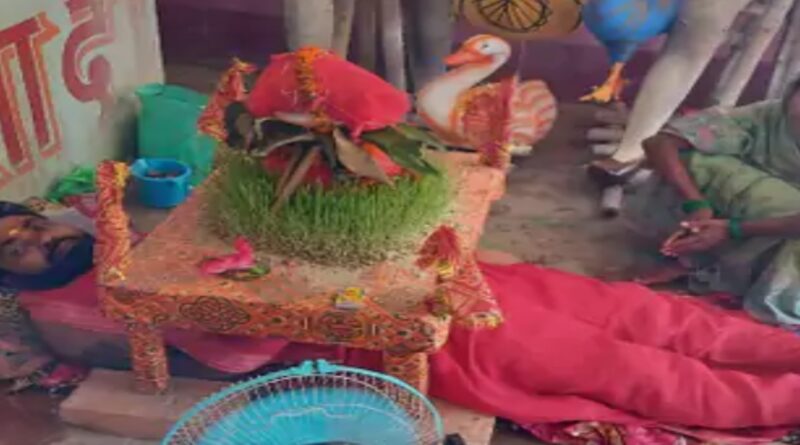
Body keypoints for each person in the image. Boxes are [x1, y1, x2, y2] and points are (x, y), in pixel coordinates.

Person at [4, 199, 800, 430]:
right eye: (19, 248)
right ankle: (782, 396)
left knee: (638, 309)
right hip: (394, 332)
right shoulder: (70, 313)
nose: (42, 238)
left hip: (421, 280)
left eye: (31, 224)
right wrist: (292, 288)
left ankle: (781, 349)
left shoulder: (116, 231)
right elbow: (231, 357)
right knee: (626, 366)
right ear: (9, 278)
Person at [628, 78, 800, 326]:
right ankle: (697, 260)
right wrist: (696, 203)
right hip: (765, 201)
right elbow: (660, 142)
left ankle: (753, 287)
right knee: (691, 160)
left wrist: (732, 229)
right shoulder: (770, 115)